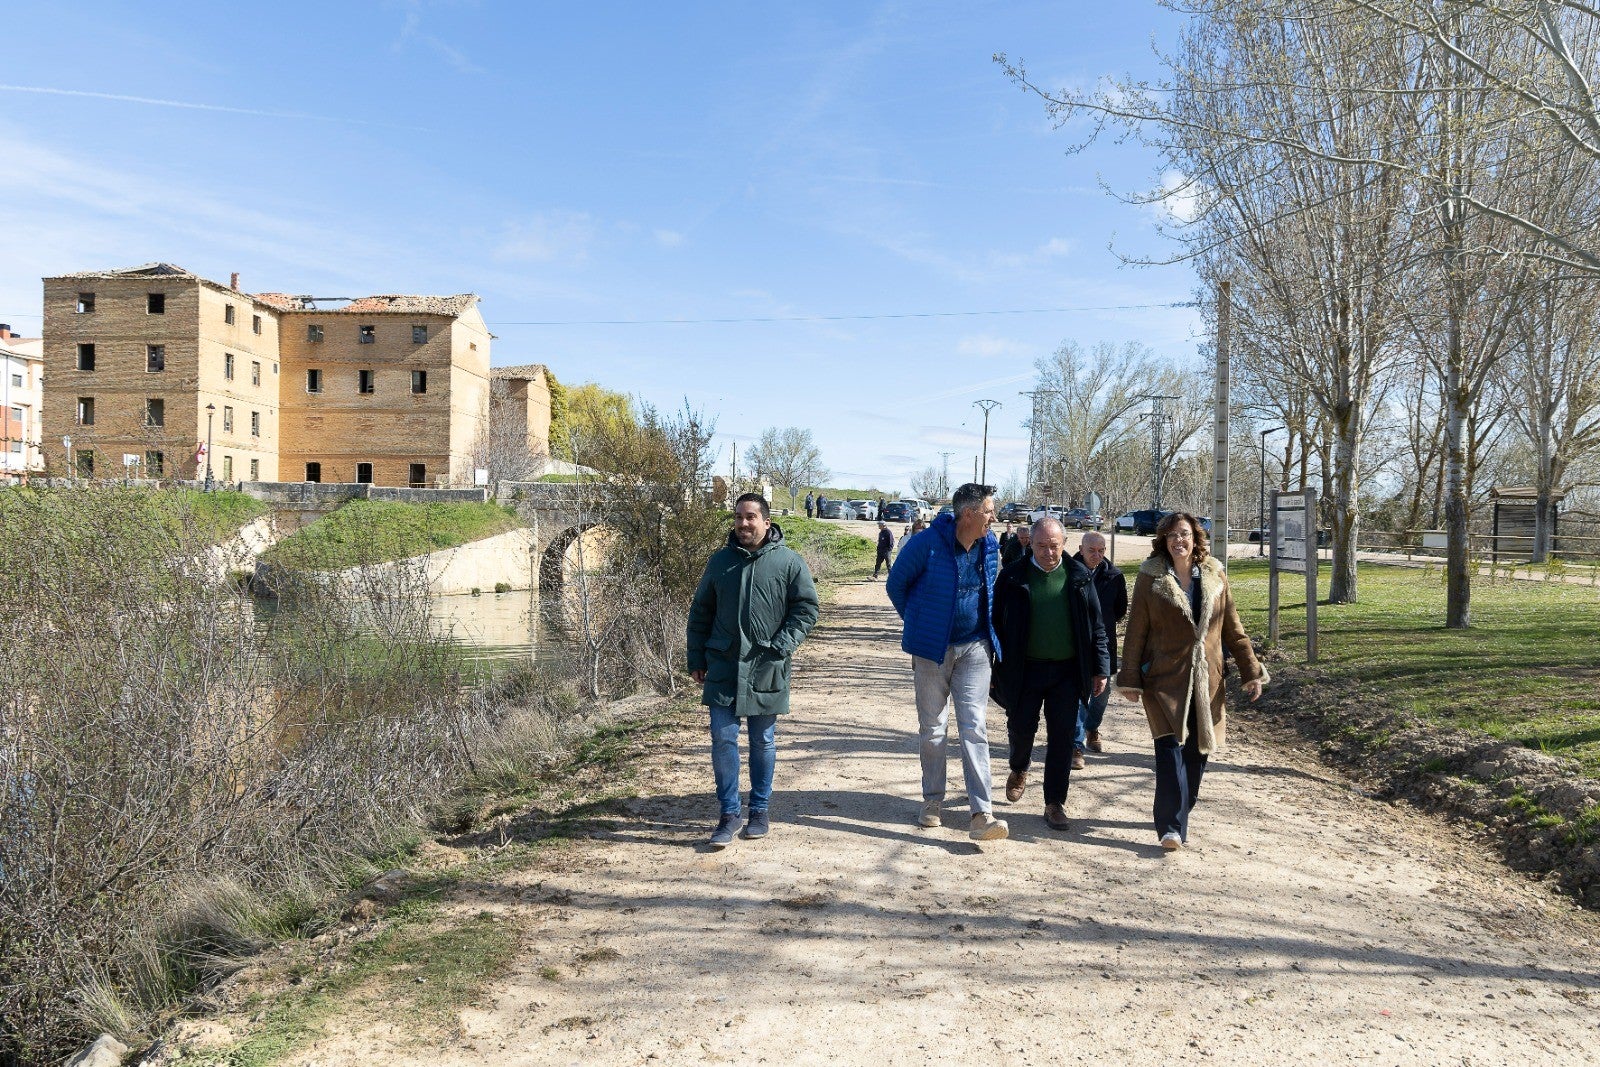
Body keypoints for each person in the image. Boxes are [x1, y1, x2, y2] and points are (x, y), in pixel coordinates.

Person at [1115, 511, 1267, 851]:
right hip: (1163, 680)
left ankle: (1182, 808)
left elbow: (1233, 629)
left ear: (1196, 538)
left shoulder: (1215, 576)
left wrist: (1251, 672)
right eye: (1171, 535)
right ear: (1163, 541)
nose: (1178, 541)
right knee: (1169, 752)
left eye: (1184, 534)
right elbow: (1136, 630)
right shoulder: (1150, 578)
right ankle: (1170, 828)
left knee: (1197, 755)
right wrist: (1130, 677)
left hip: (1206, 679)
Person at [688, 493, 820, 849]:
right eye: (738, 517)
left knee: (762, 741)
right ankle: (729, 814)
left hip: (766, 665)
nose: (743, 524)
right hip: (723, 665)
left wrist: (782, 645)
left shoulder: (789, 562)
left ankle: (759, 810)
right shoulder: (720, 562)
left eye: (750, 517)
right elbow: (700, 612)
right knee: (722, 738)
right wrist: (696, 658)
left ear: (766, 521)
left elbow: (806, 609)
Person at [886, 482, 1009, 841]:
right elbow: (896, 585)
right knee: (934, 729)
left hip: (975, 648)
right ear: (968, 514)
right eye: (988, 511)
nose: (993, 517)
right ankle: (932, 801)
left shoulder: (989, 545)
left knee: (974, 727)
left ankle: (982, 813)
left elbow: (992, 590)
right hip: (932, 652)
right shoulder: (926, 544)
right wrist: (919, 622)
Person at [991, 517, 1109, 830]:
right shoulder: (1013, 576)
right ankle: (1019, 767)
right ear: (1030, 543)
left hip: (1066, 672)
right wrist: (992, 667)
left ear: (1064, 544)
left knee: (1062, 737)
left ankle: (1054, 802)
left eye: (1054, 545)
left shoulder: (1079, 576)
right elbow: (995, 623)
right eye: (1041, 545)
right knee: (1021, 728)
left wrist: (1101, 668)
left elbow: (1097, 627)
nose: (1048, 552)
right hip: (1024, 669)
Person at [1073, 531, 1128, 763]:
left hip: (1104, 644)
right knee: (1075, 695)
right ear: (1081, 549)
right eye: (1091, 550)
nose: (1097, 555)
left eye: (1101, 551)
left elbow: (1120, 610)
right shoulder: (1068, 572)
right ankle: (1076, 745)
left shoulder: (1114, 576)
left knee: (1101, 694)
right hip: (1075, 644)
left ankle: (1092, 727)